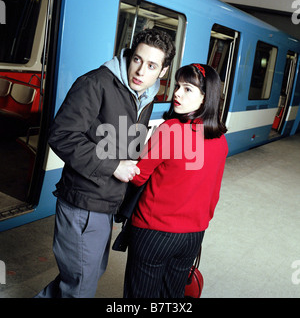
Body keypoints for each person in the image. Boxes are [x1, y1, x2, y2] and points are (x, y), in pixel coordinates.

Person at [35, 29, 176, 298]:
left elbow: (124, 147)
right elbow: (62, 136)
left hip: (106, 204)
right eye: (137, 59)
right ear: (128, 55)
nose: (140, 71)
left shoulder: (145, 96)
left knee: (81, 279)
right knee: (80, 287)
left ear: (163, 71)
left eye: (151, 65)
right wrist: (113, 166)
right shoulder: (95, 83)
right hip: (83, 204)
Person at [123, 63, 228, 298]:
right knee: (172, 295)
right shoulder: (220, 139)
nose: (177, 93)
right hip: (193, 235)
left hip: (154, 231)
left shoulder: (170, 130)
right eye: (178, 86)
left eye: (188, 89)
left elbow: (138, 178)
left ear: (205, 97)